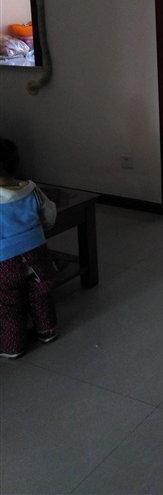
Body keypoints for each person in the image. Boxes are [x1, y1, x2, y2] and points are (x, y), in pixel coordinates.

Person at [0, 138, 58, 358]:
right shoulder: (31, 189)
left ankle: (13, 346)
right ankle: (47, 330)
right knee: (41, 293)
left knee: (8, 302)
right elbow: (49, 214)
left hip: (5, 261)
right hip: (38, 254)